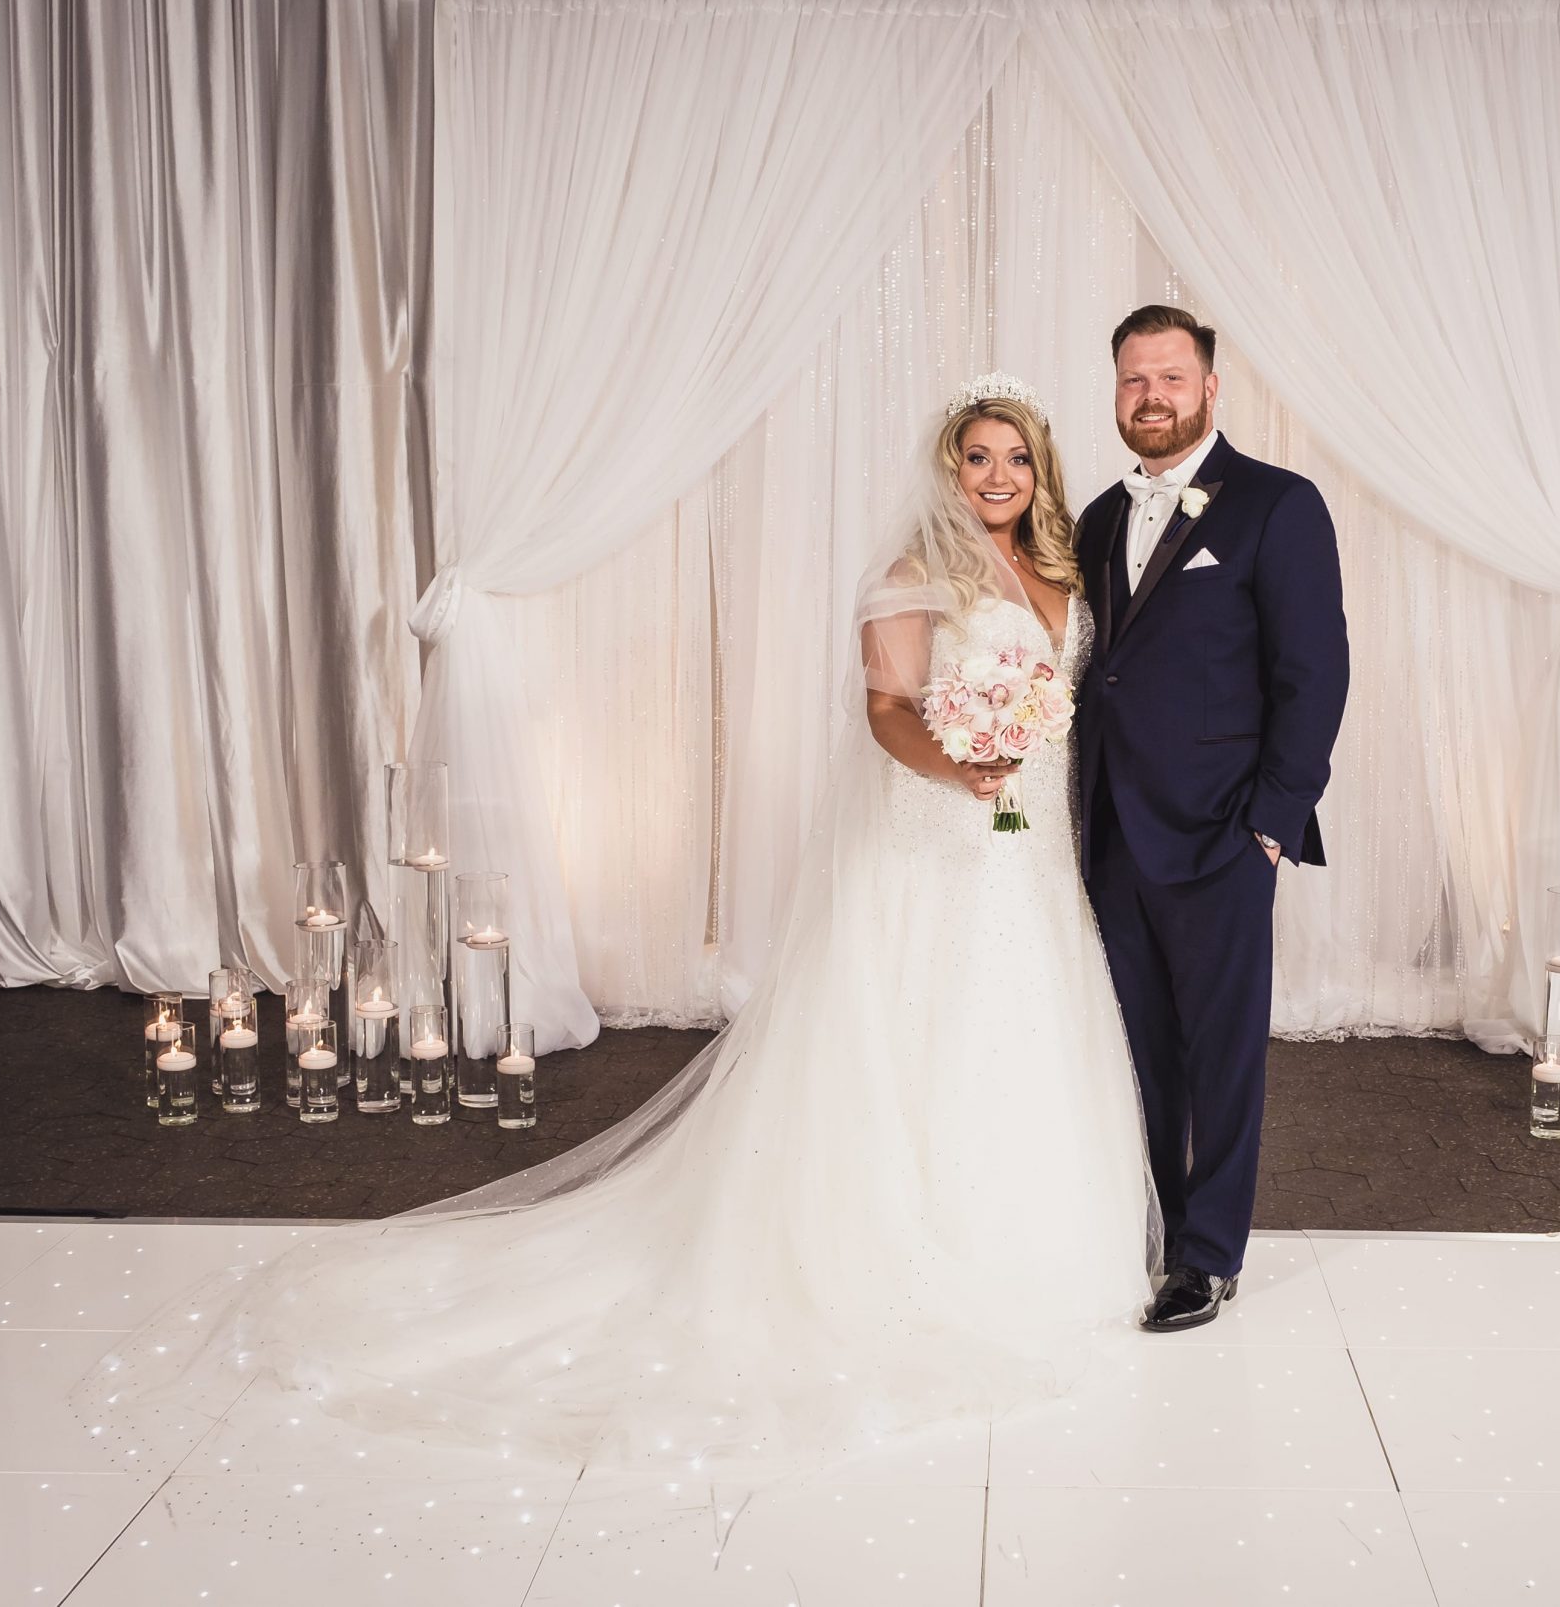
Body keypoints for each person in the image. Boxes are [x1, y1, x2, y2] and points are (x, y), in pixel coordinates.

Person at [81, 376, 1156, 1473]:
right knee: (920, 1035)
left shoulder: (1061, 569)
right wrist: (962, 764)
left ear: (1040, 470)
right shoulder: (914, 575)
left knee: (1016, 1033)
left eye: (1014, 459)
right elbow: (885, 711)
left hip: (1030, 861)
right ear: (947, 468)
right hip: (936, 846)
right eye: (976, 457)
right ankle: (913, 1251)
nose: (996, 477)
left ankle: (1032, 1248)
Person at [1076, 306, 1350, 1332]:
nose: (1150, 397)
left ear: (1208, 388)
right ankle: (1154, 1223)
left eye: (1169, 379)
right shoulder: (1097, 517)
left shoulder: (1277, 506)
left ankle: (1208, 1253)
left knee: (1219, 1050)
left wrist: (1273, 822)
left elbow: (1313, 672)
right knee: (1136, 1044)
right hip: (1108, 831)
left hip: (1222, 831)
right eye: (1131, 381)